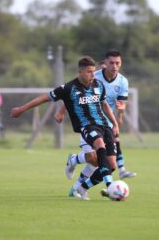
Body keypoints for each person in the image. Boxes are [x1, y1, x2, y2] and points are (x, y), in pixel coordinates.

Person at [11, 56, 120, 200]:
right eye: (89, 72)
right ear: (80, 72)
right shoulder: (68, 88)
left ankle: (81, 187)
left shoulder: (98, 85)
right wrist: (22, 109)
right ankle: (110, 186)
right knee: (98, 147)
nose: (92, 75)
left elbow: (104, 105)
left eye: (93, 71)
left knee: (111, 164)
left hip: (105, 126)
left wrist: (115, 123)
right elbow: (44, 98)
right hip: (87, 126)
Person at [55, 49, 136, 198]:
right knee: (94, 158)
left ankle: (78, 188)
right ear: (104, 63)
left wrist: (121, 113)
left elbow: (122, 104)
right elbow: (73, 94)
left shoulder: (123, 81)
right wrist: (61, 111)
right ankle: (76, 165)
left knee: (102, 161)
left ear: (121, 63)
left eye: (117, 63)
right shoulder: (93, 76)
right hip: (88, 121)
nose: (114, 66)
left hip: (106, 124)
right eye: (111, 62)